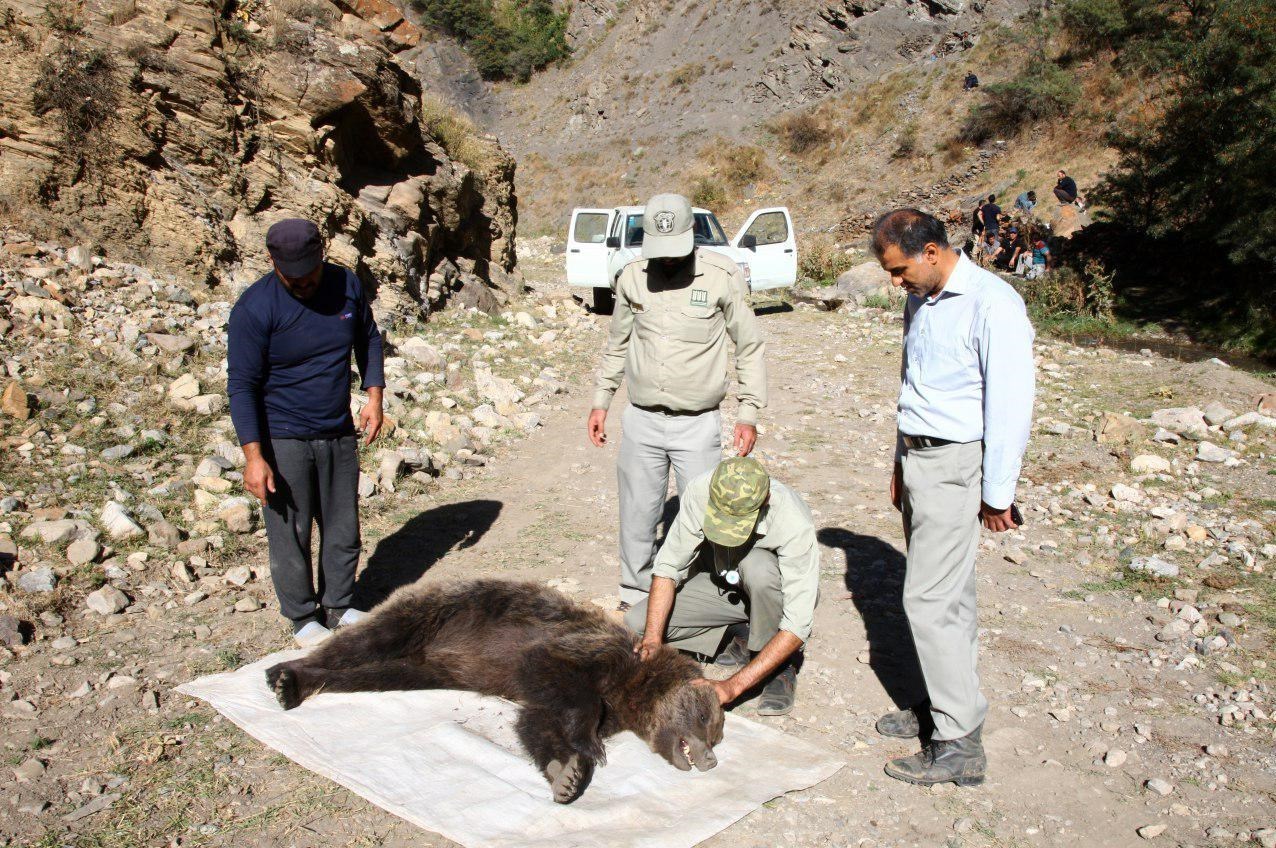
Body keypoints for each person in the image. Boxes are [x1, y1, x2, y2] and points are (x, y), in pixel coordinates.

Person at [870, 209, 1035, 787]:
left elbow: (1011, 402)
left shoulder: (993, 302)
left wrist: (998, 495)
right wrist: (898, 459)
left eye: (900, 270)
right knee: (949, 597)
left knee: (929, 601)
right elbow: (912, 381)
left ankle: (959, 742)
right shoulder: (922, 298)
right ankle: (941, 704)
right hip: (920, 459)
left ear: (933, 251)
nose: (896, 282)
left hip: (956, 462)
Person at [589, 193, 767, 612]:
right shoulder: (632, 276)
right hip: (642, 421)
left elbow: (749, 346)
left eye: (676, 251)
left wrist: (748, 412)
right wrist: (602, 400)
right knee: (636, 515)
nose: (667, 260)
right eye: (659, 251)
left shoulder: (722, 276)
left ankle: (699, 600)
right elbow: (617, 345)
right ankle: (634, 598)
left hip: (698, 424)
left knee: (706, 517)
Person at [227, 219, 385, 647]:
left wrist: (374, 396)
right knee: (291, 529)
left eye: (310, 272)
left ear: (324, 252)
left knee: (341, 525)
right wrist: (254, 457)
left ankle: (338, 604)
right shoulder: (254, 309)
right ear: (272, 263)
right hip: (283, 437)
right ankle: (302, 617)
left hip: (337, 429)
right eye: (291, 275)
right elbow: (241, 385)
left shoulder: (346, 284)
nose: (303, 282)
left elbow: (368, 338)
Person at [627, 457, 818, 717]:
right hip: (725, 583)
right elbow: (668, 568)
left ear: (765, 501)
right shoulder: (701, 490)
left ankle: (781, 665)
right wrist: (652, 639)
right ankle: (742, 631)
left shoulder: (792, 519)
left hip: (771, 591)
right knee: (637, 622)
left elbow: (797, 622)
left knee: (758, 567)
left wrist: (731, 687)